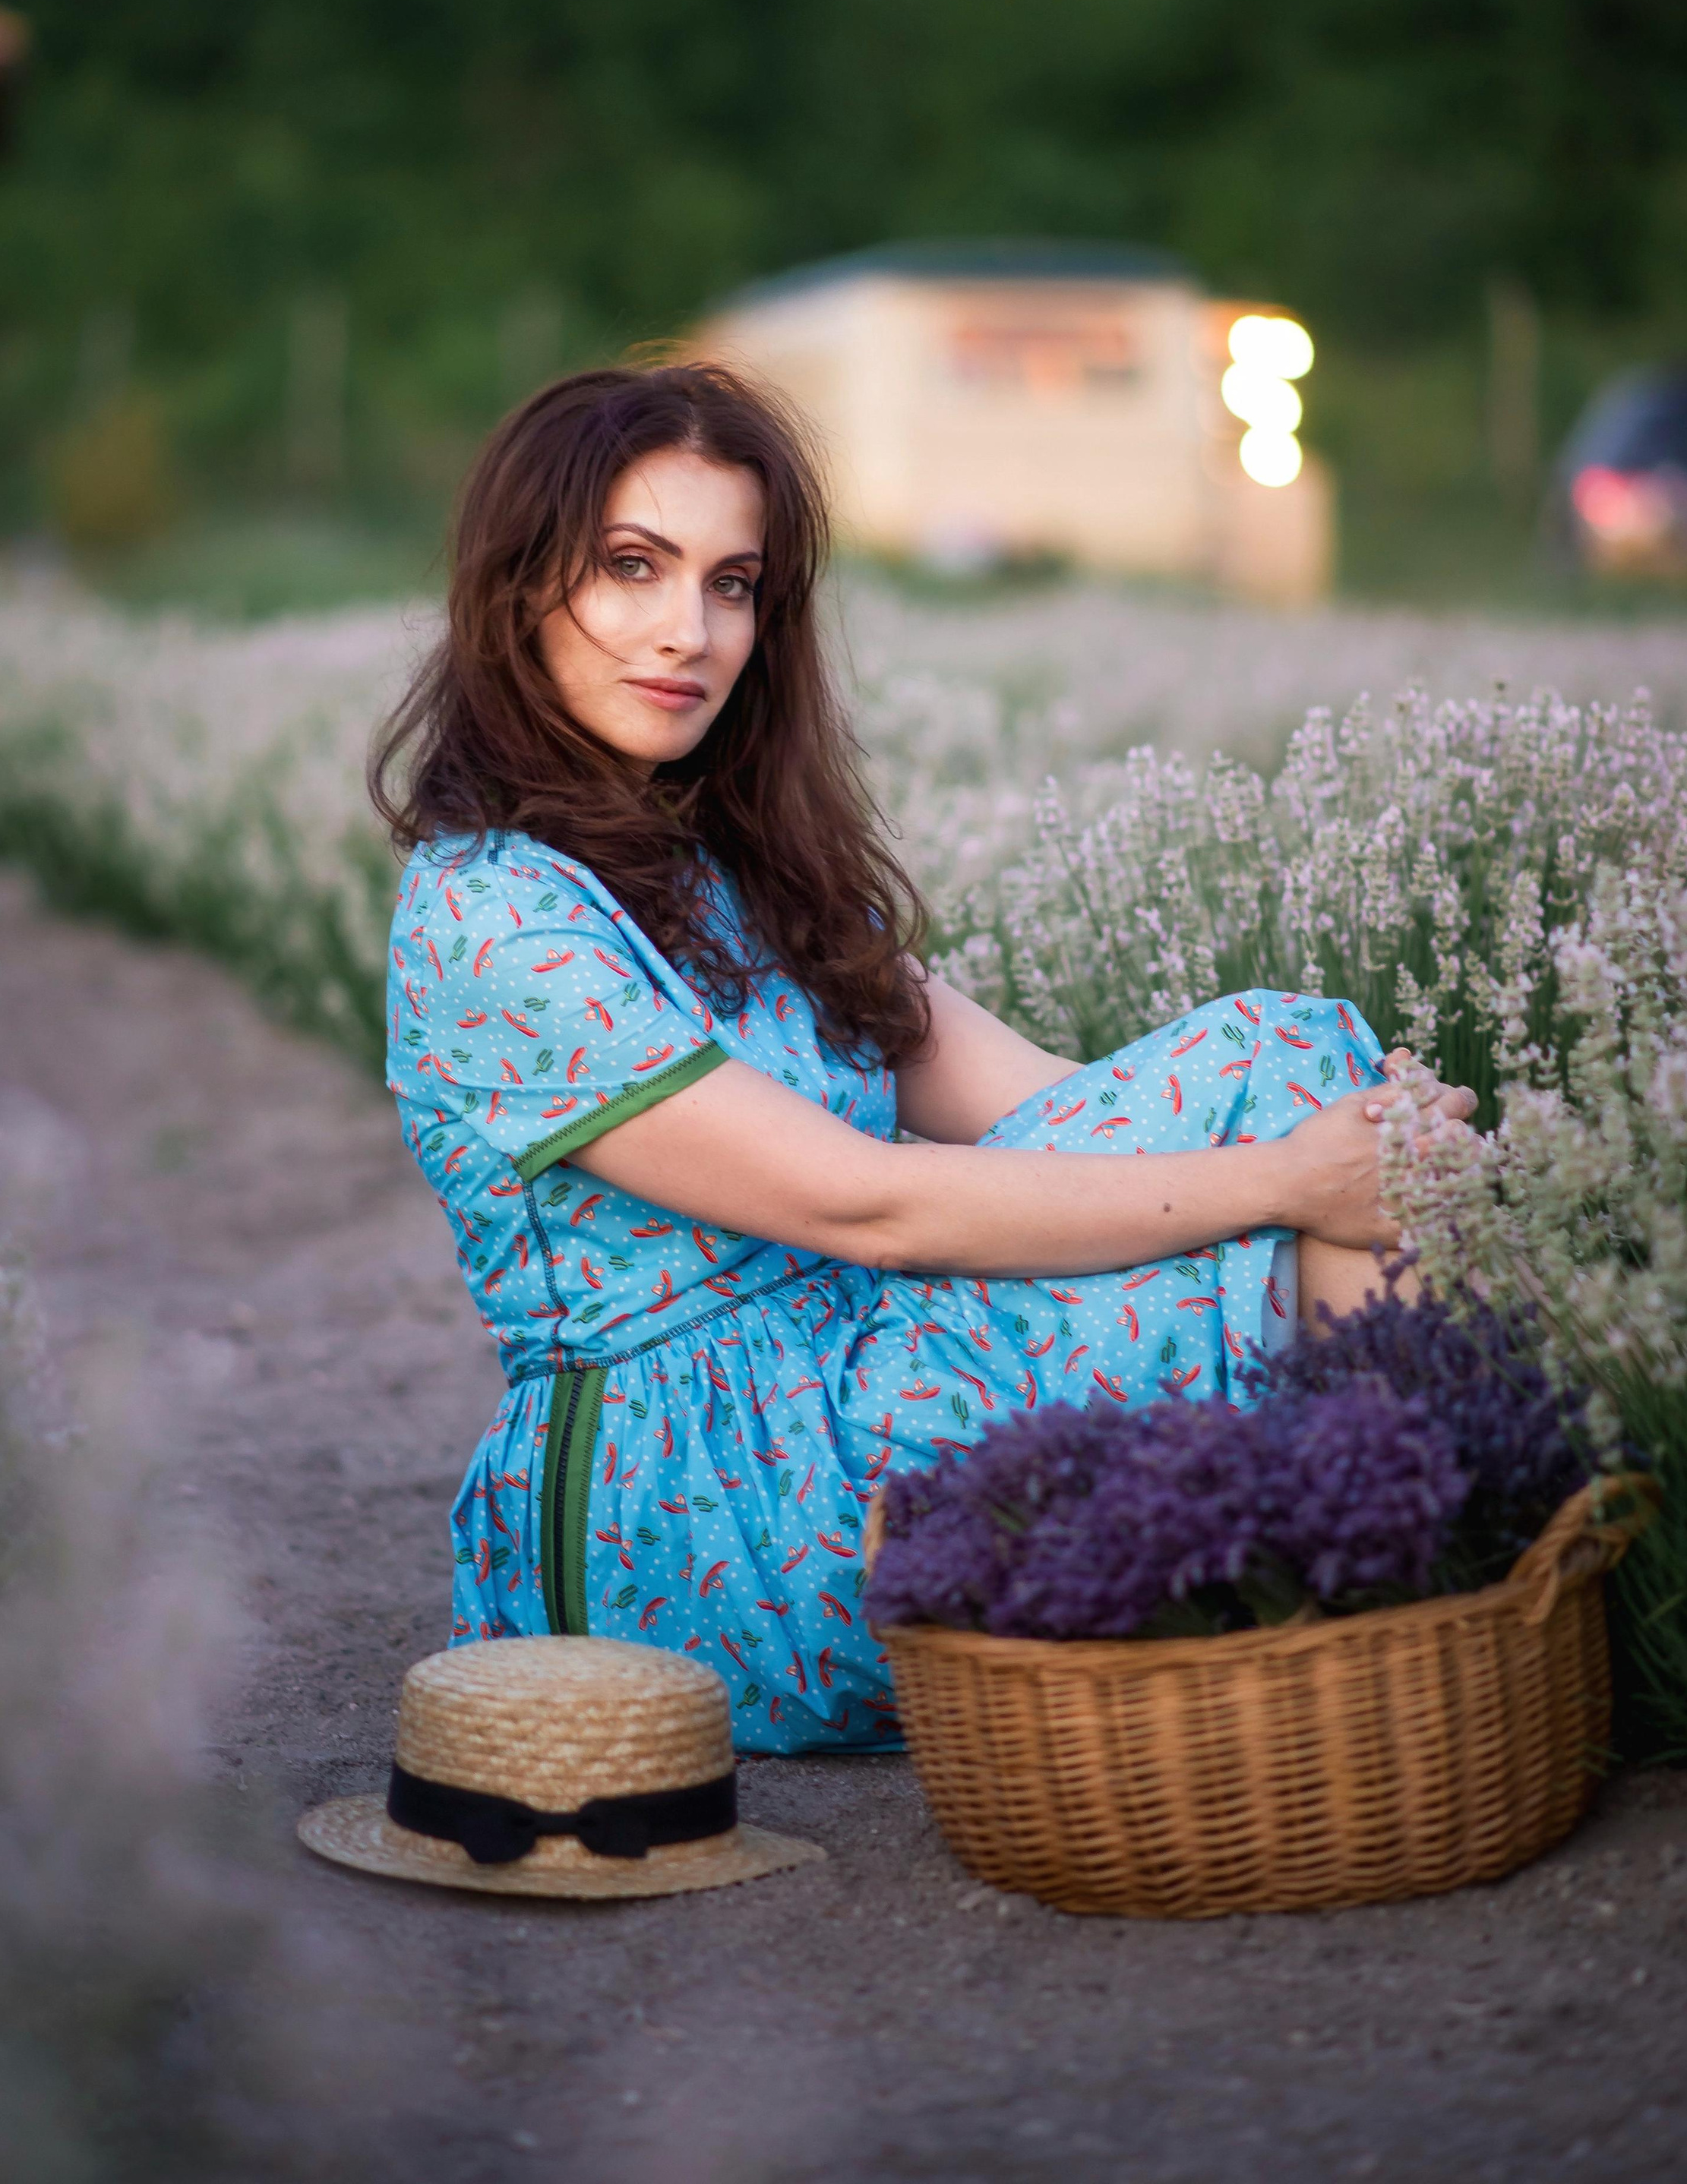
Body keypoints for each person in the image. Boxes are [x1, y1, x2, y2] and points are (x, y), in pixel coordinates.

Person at [370, 362, 1477, 1751]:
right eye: (630, 568)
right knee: (1286, 1104)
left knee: (1295, 1065)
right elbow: (866, 1207)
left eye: (732, 585)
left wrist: (1348, 1152)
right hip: (697, 1517)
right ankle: (1426, 1630)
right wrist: (1287, 1184)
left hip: (861, 1390)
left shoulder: (734, 866)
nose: (687, 632)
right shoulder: (490, 911)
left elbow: (1062, 1114)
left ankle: (1403, 1609)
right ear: (517, 588)